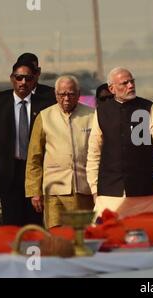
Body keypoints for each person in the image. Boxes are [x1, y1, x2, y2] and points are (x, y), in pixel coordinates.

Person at [0, 61, 54, 226]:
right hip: (8, 172)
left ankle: (34, 252)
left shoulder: (45, 105)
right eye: (19, 78)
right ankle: (14, 252)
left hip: (35, 172)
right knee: (11, 222)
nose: (23, 82)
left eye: (28, 78)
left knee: (34, 222)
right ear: (12, 79)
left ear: (34, 81)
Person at [87, 67, 153, 219]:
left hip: (145, 190)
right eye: (124, 83)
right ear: (112, 89)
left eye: (132, 81)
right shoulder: (101, 112)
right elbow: (94, 153)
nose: (130, 86)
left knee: (148, 236)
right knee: (107, 236)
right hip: (110, 192)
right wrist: (94, 189)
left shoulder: (149, 108)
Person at [25, 75, 94, 228]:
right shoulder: (44, 116)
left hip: (84, 189)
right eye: (62, 94)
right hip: (54, 190)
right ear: (56, 95)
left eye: (71, 94)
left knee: (81, 234)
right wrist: (34, 191)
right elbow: (34, 158)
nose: (66, 98)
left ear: (78, 93)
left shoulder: (92, 115)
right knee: (56, 234)